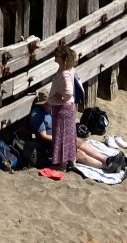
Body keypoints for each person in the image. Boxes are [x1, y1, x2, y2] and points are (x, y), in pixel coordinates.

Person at [47, 43, 79, 171]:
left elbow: (69, 91)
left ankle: (62, 165)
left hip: (63, 109)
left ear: (63, 58)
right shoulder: (69, 69)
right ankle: (72, 161)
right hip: (67, 108)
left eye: (57, 55)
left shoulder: (65, 73)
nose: (55, 56)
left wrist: (62, 98)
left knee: (62, 136)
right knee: (69, 136)